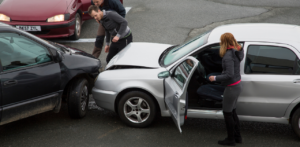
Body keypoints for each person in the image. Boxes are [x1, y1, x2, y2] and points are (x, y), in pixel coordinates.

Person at [208, 33, 244, 146]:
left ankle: (230, 139)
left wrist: (215, 78)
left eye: (221, 41)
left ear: (224, 42)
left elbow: (229, 74)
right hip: (237, 85)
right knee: (233, 112)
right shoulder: (237, 51)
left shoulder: (229, 55)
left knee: (227, 113)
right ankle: (238, 137)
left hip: (232, 88)